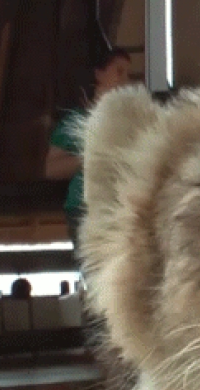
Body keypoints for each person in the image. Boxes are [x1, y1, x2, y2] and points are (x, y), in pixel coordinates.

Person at [45, 47, 132, 256]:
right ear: (99, 74)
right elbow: (51, 169)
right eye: (119, 71)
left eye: (127, 74)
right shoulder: (76, 119)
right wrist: (91, 157)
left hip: (122, 210)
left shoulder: (132, 119)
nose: (125, 80)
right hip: (86, 209)